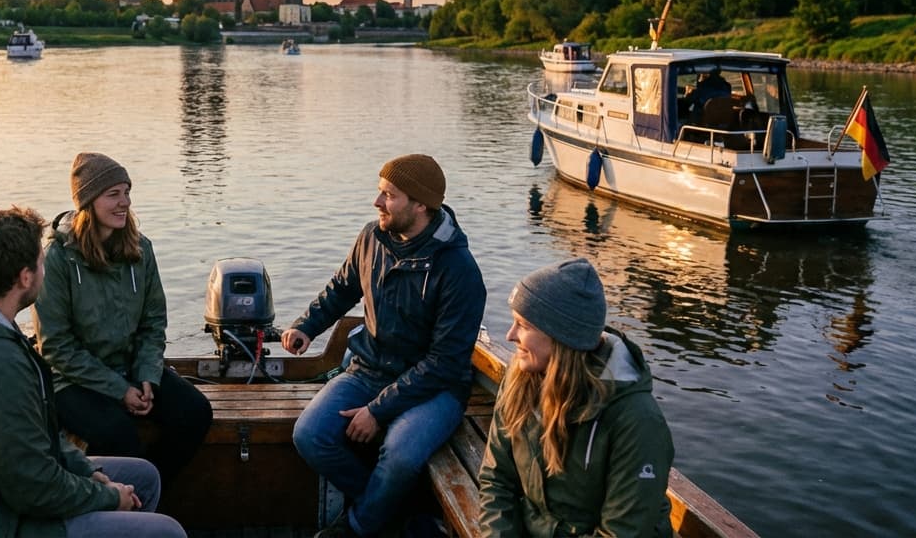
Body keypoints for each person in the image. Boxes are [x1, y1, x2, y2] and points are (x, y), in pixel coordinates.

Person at [0, 206, 185, 538]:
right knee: (166, 533)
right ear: (25, 277)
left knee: (144, 476)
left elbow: (34, 444)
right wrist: (107, 495)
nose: (46, 269)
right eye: (41, 262)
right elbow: (34, 488)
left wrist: (88, 471)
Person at [283, 154, 486, 538]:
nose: (377, 203)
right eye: (380, 193)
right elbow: (342, 288)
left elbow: (444, 363)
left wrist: (378, 410)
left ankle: (358, 528)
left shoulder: (459, 270)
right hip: (370, 368)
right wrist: (306, 327)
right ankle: (397, 514)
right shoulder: (372, 238)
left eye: (389, 195)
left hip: (435, 389)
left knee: (401, 454)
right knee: (309, 435)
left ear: (420, 204)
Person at [34, 153, 212, 490]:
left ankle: (149, 498)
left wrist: (146, 377)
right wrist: (120, 391)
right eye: (113, 194)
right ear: (88, 201)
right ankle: (119, 506)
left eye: (127, 192)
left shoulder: (140, 250)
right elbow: (56, 346)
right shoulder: (57, 259)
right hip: (72, 381)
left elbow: (153, 322)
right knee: (120, 437)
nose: (124, 203)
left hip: (131, 367)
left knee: (196, 412)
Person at [478, 258, 674, 538]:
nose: (510, 335)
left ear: (561, 337)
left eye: (523, 325)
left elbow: (621, 532)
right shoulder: (520, 377)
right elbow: (496, 480)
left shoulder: (637, 421)